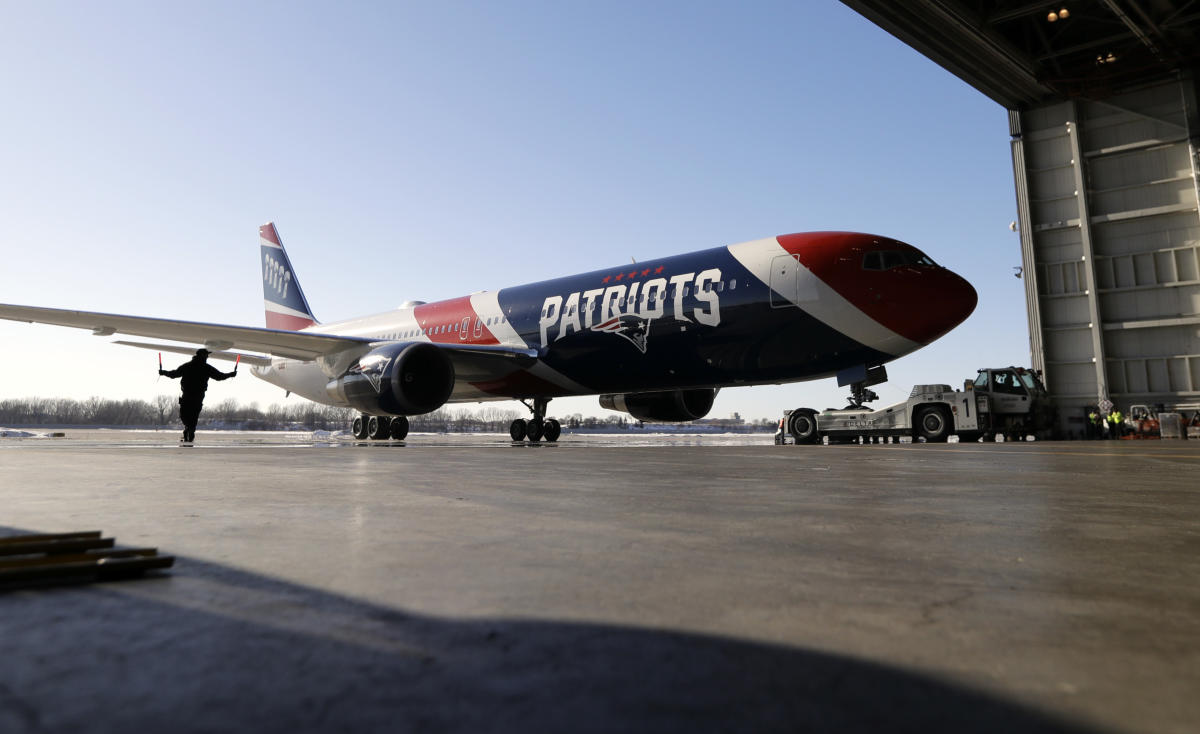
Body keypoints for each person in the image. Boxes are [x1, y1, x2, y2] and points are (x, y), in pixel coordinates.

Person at [159, 349, 237, 442]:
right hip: (198, 396)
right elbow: (219, 376)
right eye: (206, 355)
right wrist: (231, 374)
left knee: (185, 414)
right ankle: (189, 429)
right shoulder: (205, 367)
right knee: (193, 415)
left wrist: (164, 372)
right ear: (203, 356)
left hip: (188, 395)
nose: (207, 357)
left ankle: (189, 429)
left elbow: (174, 374)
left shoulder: (188, 366)